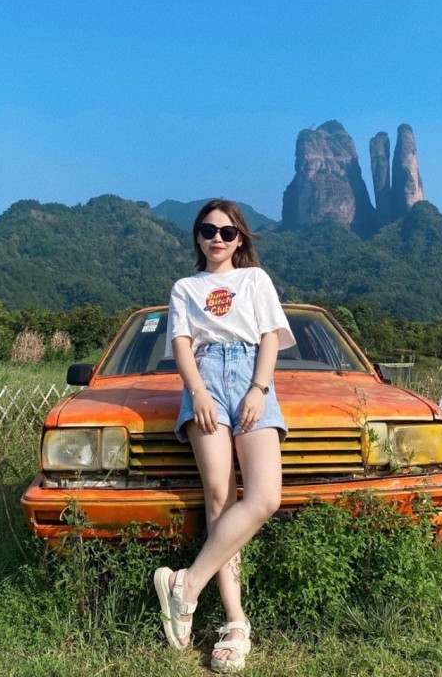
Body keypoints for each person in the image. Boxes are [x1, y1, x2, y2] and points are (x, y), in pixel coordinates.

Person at [154, 199, 295, 673]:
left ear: (240, 239)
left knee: (265, 497)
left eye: (227, 232)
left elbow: (270, 335)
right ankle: (235, 623)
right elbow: (181, 343)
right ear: (197, 236)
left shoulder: (255, 279)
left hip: (252, 374)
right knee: (219, 496)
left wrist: (259, 388)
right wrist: (197, 392)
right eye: (208, 230)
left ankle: (186, 584)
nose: (217, 238)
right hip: (206, 378)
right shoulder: (185, 287)